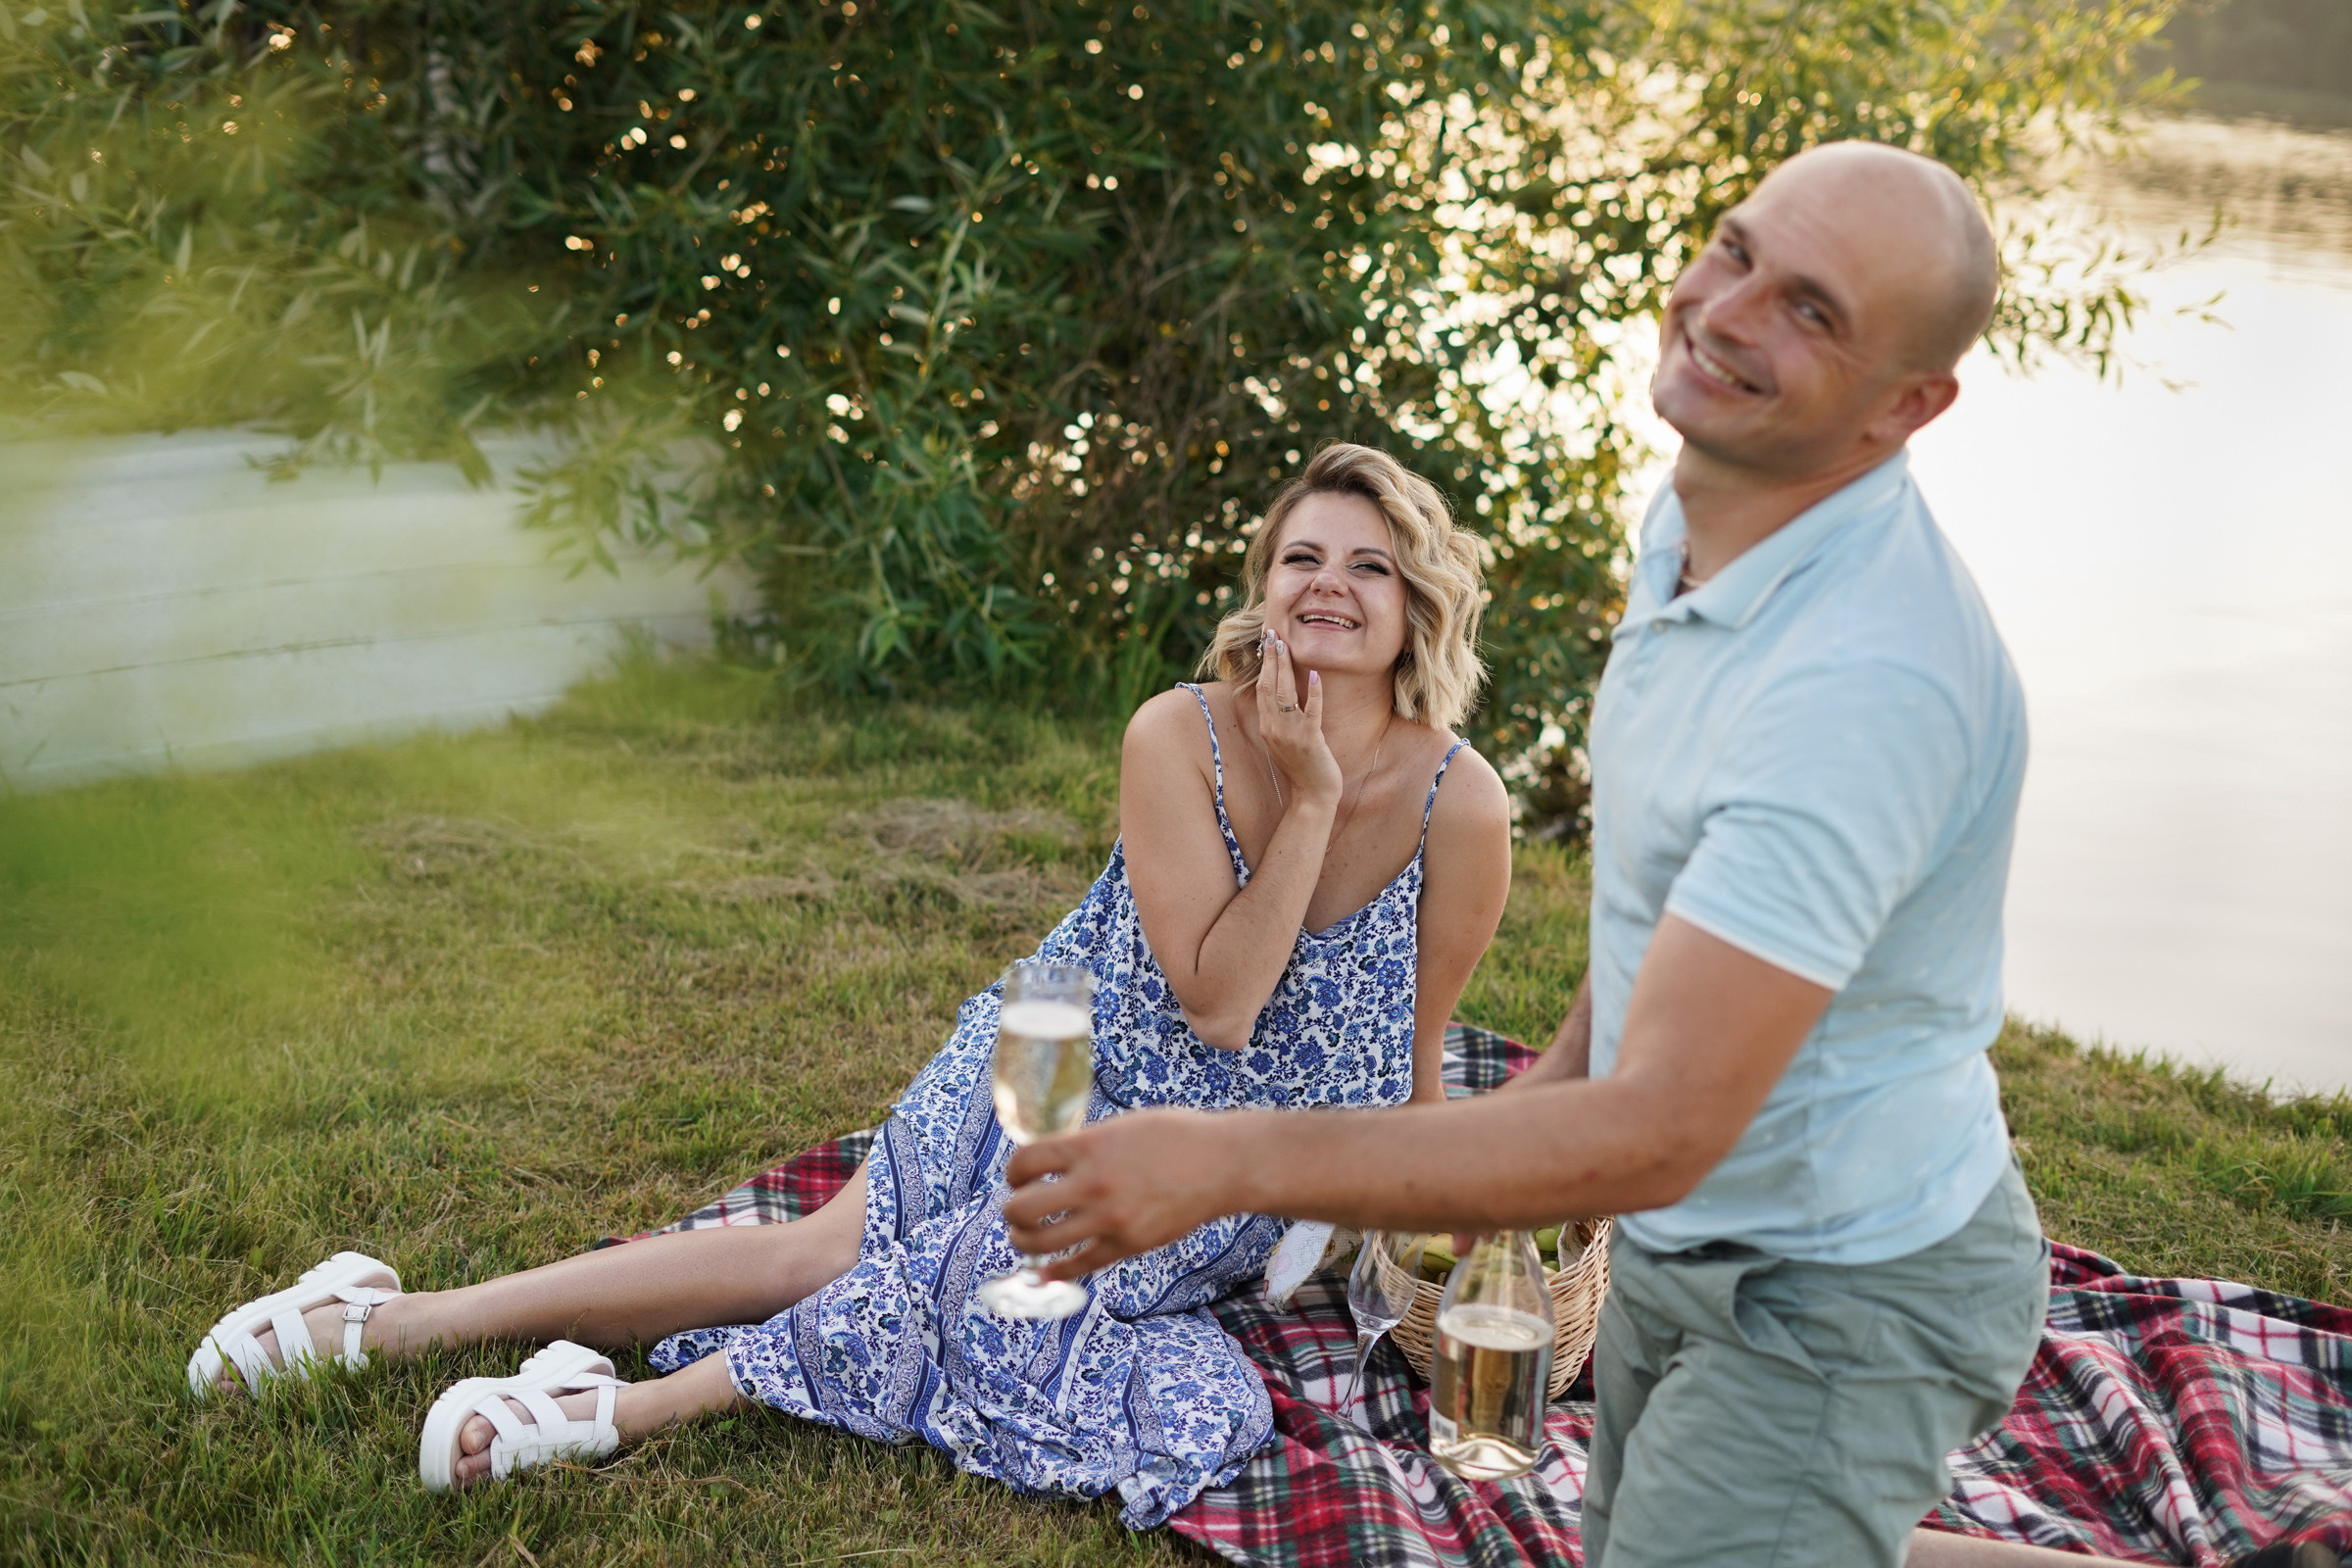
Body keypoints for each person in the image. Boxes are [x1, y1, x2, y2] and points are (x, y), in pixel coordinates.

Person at [998, 143, 2340, 1568]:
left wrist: (1221, 1160)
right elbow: (1648, 937)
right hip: (1684, 1249)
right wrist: (1507, 1129)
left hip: (1839, 1284)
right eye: (1734, 247)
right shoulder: (1701, 518)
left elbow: (1662, 1127)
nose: (1727, 309)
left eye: (1811, 309)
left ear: (1911, 405)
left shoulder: (1863, 688)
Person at [182, 443, 1514, 1526]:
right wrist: (1313, 798)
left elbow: (1414, 1055)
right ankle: (387, 1320)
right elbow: (1218, 1002)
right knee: (832, 1248)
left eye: (1369, 565)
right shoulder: (1183, 734)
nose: (1329, 584)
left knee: (975, 1273)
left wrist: (1401, 1247)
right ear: (1263, 586)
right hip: (1062, 1052)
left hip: (1215, 1162)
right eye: (1302, 556)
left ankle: (567, 1383)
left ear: (1416, 607)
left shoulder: (1465, 806)